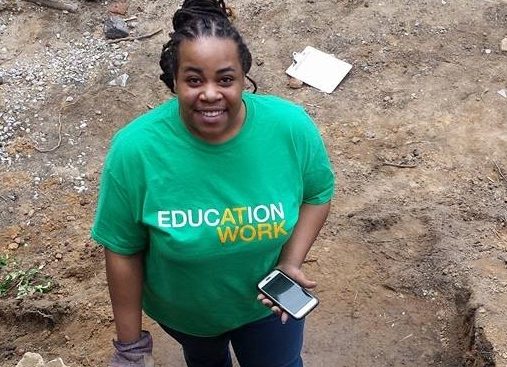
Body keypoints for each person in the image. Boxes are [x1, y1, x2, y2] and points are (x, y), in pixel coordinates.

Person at [91, 0, 335, 366]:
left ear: (243, 77)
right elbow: (123, 249)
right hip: (185, 316)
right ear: (173, 80)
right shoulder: (135, 150)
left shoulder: (290, 128)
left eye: (224, 79)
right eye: (193, 79)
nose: (209, 94)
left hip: (266, 309)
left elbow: (317, 194)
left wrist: (291, 260)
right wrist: (130, 348)